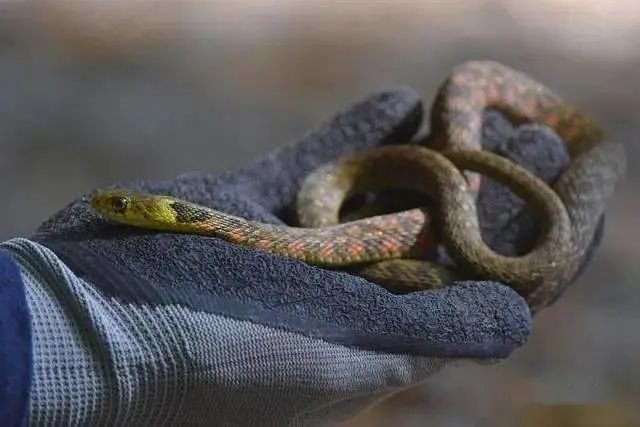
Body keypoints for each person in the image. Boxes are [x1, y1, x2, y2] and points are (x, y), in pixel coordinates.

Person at [0, 87, 602, 426]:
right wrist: (66, 326)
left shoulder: (221, 225)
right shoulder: (245, 225)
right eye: (120, 205)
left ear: (158, 214)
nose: (110, 206)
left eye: (123, 204)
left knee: (571, 163)